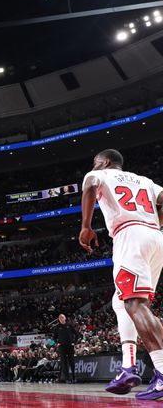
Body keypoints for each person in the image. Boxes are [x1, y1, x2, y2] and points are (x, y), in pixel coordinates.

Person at [80, 149, 163, 399]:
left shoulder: (98, 174)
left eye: (95, 163)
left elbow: (90, 188)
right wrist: (158, 223)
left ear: (104, 162)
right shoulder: (144, 180)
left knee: (134, 304)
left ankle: (161, 372)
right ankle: (128, 367)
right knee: (123, 301)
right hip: (156, 236)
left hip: (129, 235)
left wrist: (85, 227)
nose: (93, 167)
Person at [53, 314, 77, 383]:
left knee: (72, 361)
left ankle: (74, 377)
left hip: (70, 346)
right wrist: (57, 343)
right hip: (62, 347)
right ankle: (67, 378)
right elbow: (54, 337)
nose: (61, 319)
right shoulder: (57, 327)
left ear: (65, 318)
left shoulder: (69, 325)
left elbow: (77, 334)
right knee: (64, 362)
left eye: (62, 317)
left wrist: (74, 342)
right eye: (60, 318)